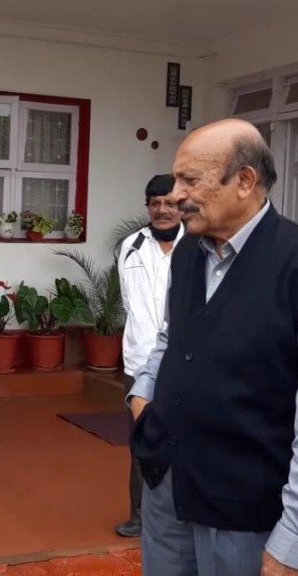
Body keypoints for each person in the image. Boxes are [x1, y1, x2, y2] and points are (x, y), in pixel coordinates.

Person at [127, 119, 298, 576]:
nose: (175, 194)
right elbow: (171, 337)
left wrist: (294, 541)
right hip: (168, 488)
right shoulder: (190, 252)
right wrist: (143, 394)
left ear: (245, 181)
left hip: (244, 511)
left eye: (190, 180)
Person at [114, 174, 184, 538]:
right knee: (141, 440)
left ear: (182, 205)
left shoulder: (199, 245)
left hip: (187, 363)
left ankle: (183, 513)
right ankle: (140, 516)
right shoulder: (130, 247)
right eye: (155, 203)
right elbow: (130, 303)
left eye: (170, 203)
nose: (162, 210)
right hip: (140, 362)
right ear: (147, 206)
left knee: (187, 437)